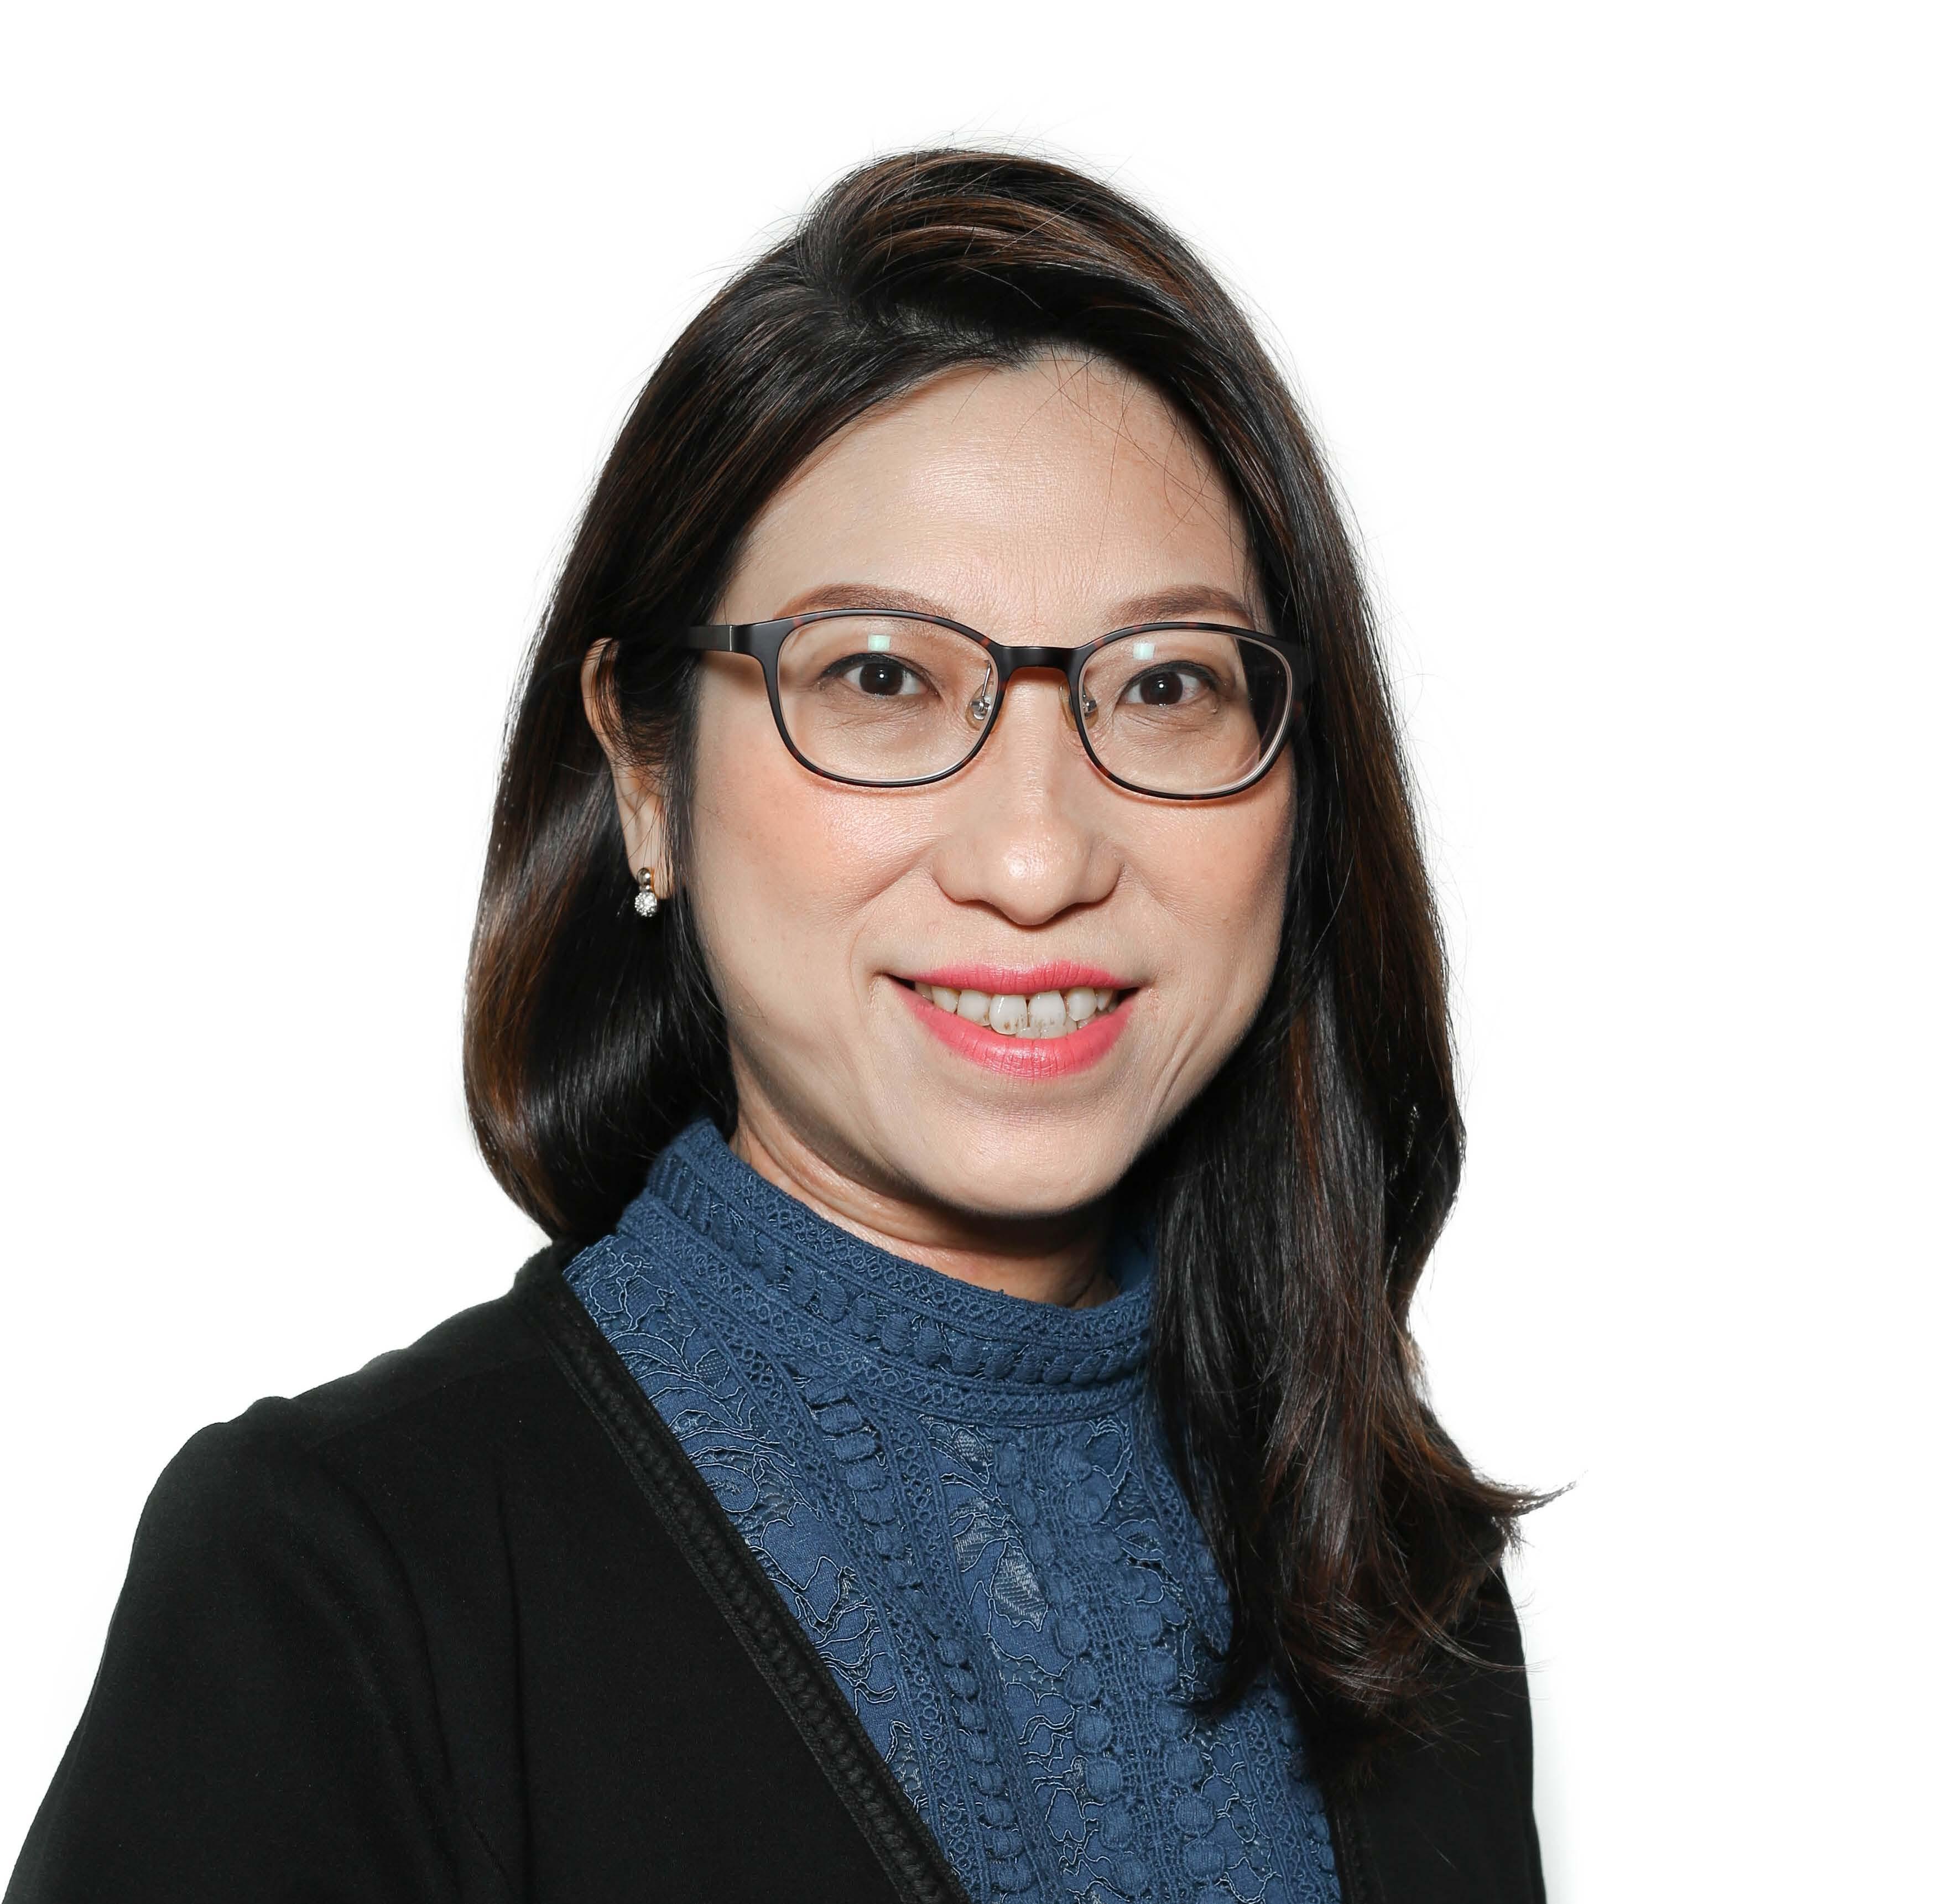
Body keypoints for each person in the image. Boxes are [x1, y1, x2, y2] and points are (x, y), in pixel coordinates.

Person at [8, 150, 1544, 1903]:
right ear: (643, 770)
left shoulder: (1402, 1593)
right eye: (880, 678)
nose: (1035, 855)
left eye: (1166, 683)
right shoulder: (347, 1580)